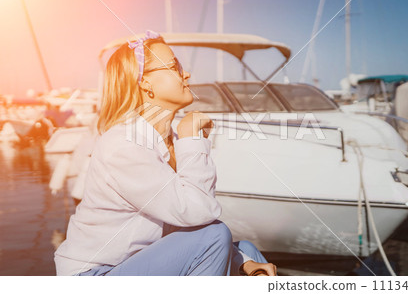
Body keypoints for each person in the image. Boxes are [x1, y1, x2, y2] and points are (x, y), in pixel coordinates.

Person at [54, 30, 277, 276]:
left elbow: (184, 223)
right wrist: (192, 138)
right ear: (145, 82)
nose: (187, 74)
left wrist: (241, 261)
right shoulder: (123, 145)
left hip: (134, 266)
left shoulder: (167, 140)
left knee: (246, 252)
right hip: (95, 275)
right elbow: (198, 212)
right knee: (215, 235)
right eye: (174, 66)